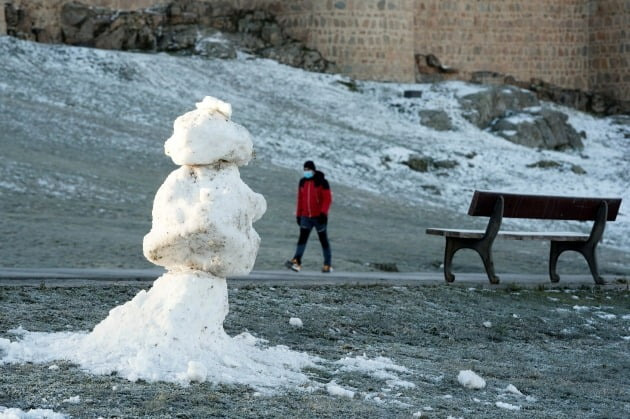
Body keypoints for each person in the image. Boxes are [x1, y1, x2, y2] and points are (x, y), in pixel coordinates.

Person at [285, 160, 333, 273]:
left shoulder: (322, 182)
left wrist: (323, 213)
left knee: (323, 240)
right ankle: (297, 262)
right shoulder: (302, 182)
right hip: (306, 217)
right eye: (305, 169)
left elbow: (327, 199)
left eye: (308, 169)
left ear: (313, 169)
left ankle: (327, 265)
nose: (306, 172)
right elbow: (300, 199)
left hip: (319, 217)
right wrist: (298, 215)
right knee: (302, 240)